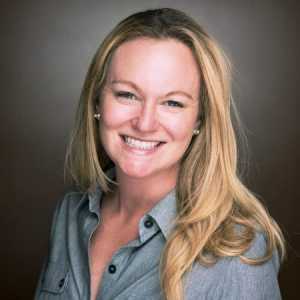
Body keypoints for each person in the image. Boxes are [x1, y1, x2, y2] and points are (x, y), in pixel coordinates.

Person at [34, 8, 285, 300]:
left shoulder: (237, 251)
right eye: (127, 95)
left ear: (199, 120)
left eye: (173, 103)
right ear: (97, 101)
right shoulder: (70, 210)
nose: (144, 123)